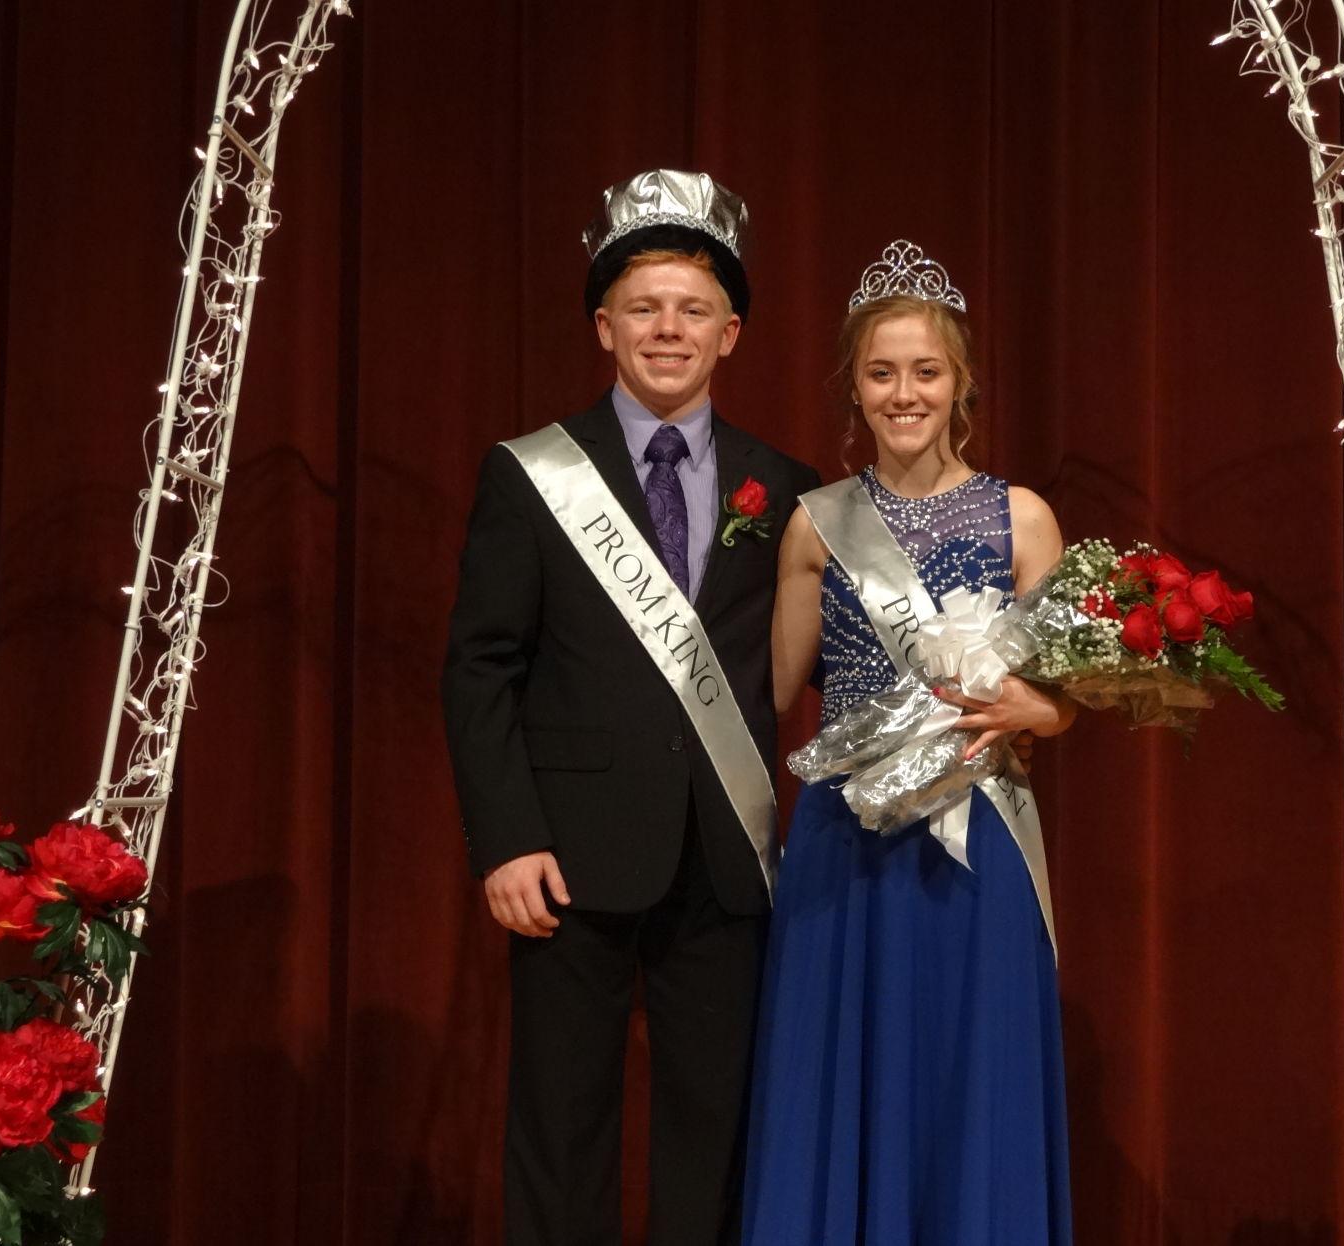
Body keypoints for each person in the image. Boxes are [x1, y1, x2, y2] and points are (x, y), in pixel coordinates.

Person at [442, 169, 820, 1246]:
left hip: (724, 853)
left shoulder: (784, 486)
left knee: (719, 1131)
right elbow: (479, 666)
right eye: (645, 308)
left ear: (732, 333)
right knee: (562, 1128)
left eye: (694, 309)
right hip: (568, 854)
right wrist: (506, 840)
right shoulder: (530, 474)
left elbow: (831, 660)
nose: (669, 329)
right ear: (605, 327)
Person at [742, 240, 1077, 1245]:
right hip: (850, 845)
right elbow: (774, 687)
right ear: (854, 384)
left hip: (981, 840)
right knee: (841, 1075)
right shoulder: (816, 524)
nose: (904, 393)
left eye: (925, 371)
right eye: (882, 373)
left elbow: (1060, 703)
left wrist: (1038, 713)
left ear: (961, 381)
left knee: (967, 1076)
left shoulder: (1024, 519)